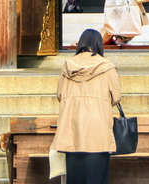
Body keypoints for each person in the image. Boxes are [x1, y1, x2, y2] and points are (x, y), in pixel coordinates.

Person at [50, 29, 121, 184]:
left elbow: (60, 95)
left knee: (75, 178)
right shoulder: (107, 67)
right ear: (98, 44)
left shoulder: (68, 66)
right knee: (97, 178)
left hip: (72, 130)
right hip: (98, 132)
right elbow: (116, 97)